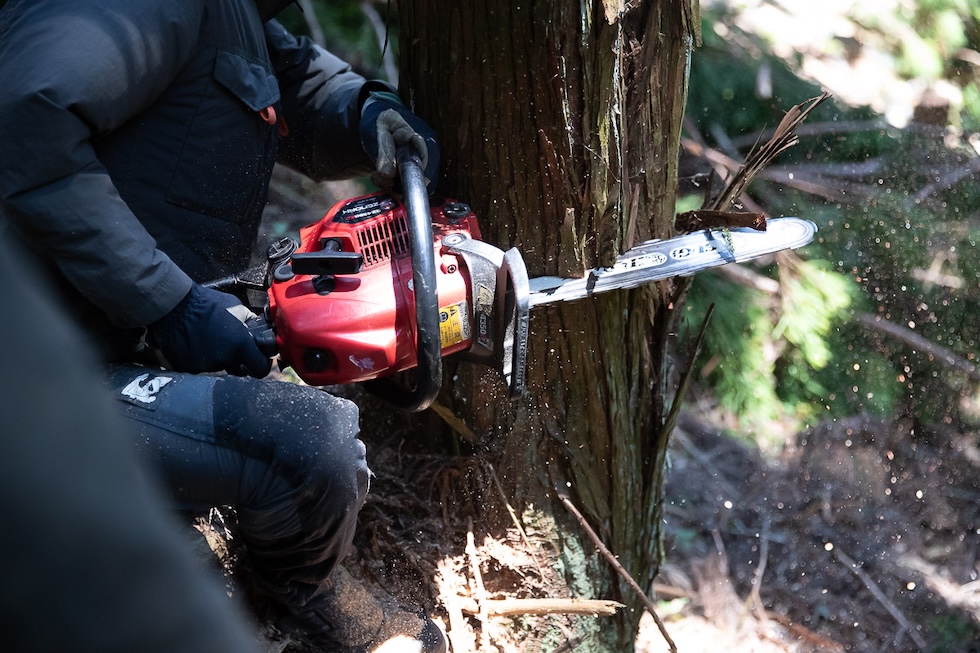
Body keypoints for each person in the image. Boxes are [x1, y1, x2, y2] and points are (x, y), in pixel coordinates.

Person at [0, 1, 446, 651]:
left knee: (298, 435)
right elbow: (25, 114)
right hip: (38, 382)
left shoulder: (227, 12)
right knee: (310, 443)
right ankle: (303, 592)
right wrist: (169, 301)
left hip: (114, 354)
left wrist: (364, 111)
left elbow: (283, 73)